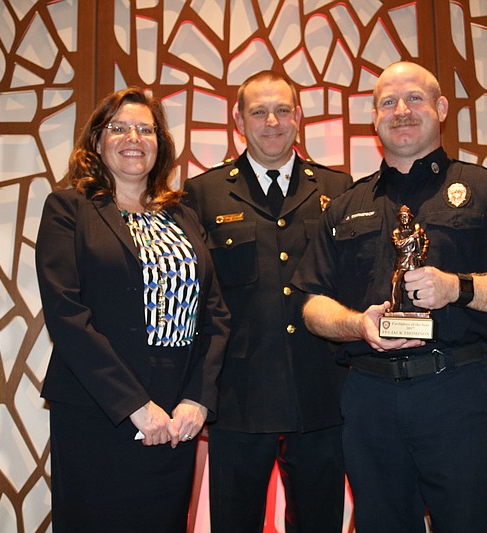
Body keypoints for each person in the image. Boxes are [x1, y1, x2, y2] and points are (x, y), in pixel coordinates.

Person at [293, 61, 487, 532]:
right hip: (370, 397)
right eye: (388, 102)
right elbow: (311, 303)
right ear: (374, 118)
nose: (402, 111)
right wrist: (357, 325)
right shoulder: (346, 206)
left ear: (440, 108)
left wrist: (459, 288)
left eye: (414, 98)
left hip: (455, 391)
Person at [35, 87, 229, 532]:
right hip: (98, 404)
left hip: (177, 409)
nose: (133, 137)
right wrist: (134, 405)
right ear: (97, 141)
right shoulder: (68, 209)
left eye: (145, 129)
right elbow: (66, 314)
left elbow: (215, 313)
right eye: (118, 128)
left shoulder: (182, 215)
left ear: (159, 144)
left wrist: (199, 398)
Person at [185, 70, 352, 533]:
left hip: (321, 392)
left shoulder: (338, 189)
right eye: (258, 111)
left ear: (298, 117)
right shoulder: (203, 193)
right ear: (238, 119)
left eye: (282, 110)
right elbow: (194, 301)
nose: (272, 121)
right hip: (238, 396)